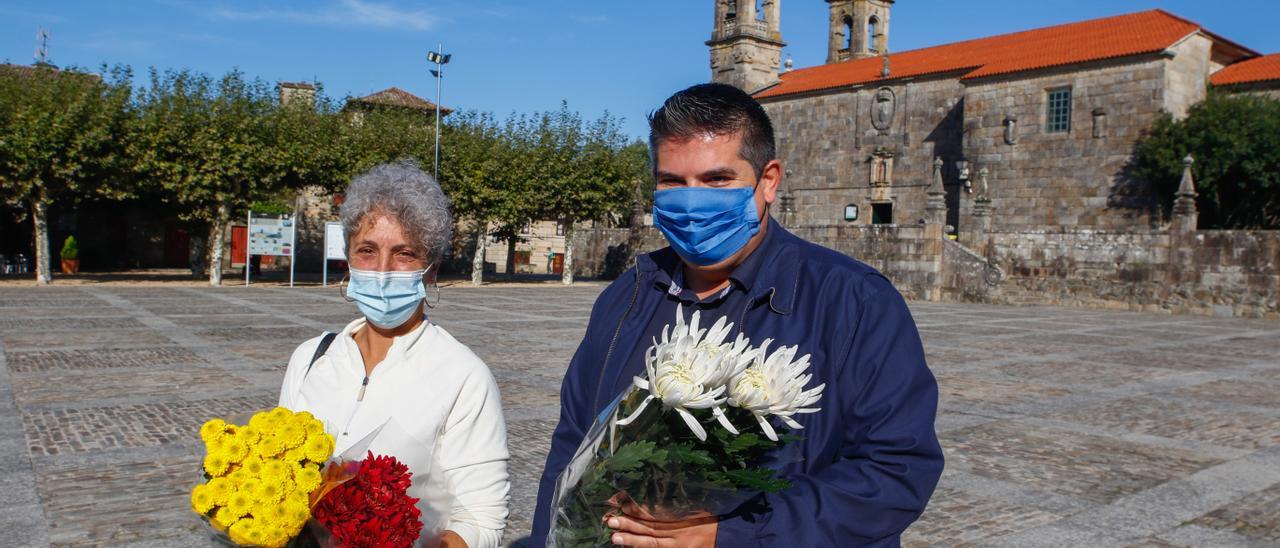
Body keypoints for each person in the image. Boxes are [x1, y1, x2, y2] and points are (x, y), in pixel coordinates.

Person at [529, 84, 943, 547]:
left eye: (717, 180)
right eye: (671, 182)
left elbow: (895, 472)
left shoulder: (853, 302)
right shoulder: (627, 297)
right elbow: (573, 446)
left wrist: (731, 536)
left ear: (768, 180)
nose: (691, 202)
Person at [279, 162, 510, 548]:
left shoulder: (463, 376)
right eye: (367, 251)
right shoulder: (310, 359)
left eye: (404, 254)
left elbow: (480, 519)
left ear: (431, 270)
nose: (383, 271)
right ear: (349, 260)